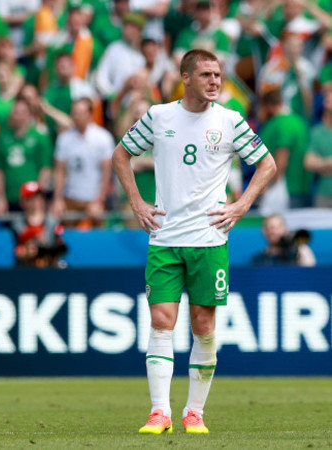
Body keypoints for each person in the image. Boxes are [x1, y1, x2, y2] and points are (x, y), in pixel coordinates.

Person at [112, 49, 276, 434]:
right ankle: (159, 412)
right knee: (161, 320)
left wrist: (241, 205)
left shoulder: (231, 121)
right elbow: (120, 156)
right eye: (206, 74)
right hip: (165, 236)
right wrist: (137, 202)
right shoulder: (159, 116)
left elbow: (266, 164)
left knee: (203, 325)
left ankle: (194, 412)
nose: (215, 81)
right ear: (185, 77)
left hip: (209, 238)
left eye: (218, 74)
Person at [51, 98, 114, 226]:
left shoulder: (103, 138)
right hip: (71, 197)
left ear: (90, 114)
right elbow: (59, 171)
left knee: (97, 237)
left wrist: (99, 200)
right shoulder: (64, 139)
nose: (76, 116)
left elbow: (106, 172)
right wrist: (58, 199)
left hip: (93, 197)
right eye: (74, 112)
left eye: (80, 113)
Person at [12, 181, 66, 268]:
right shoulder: (18, 222)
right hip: (26, 267)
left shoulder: (53, 221)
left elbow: (60, 247)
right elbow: (19, 248)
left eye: (38, 197)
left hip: (49, 266)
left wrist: (46, 246)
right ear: (22, 202)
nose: (36, 201)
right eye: (31, 198)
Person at [251, 214, 316, 267]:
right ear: (264, 232)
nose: (273, 231)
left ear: (285, 230)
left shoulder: (297, 252)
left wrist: (299, 246)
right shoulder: (259, 258)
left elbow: (309, 271)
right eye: (269, 228)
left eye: (276, 228)